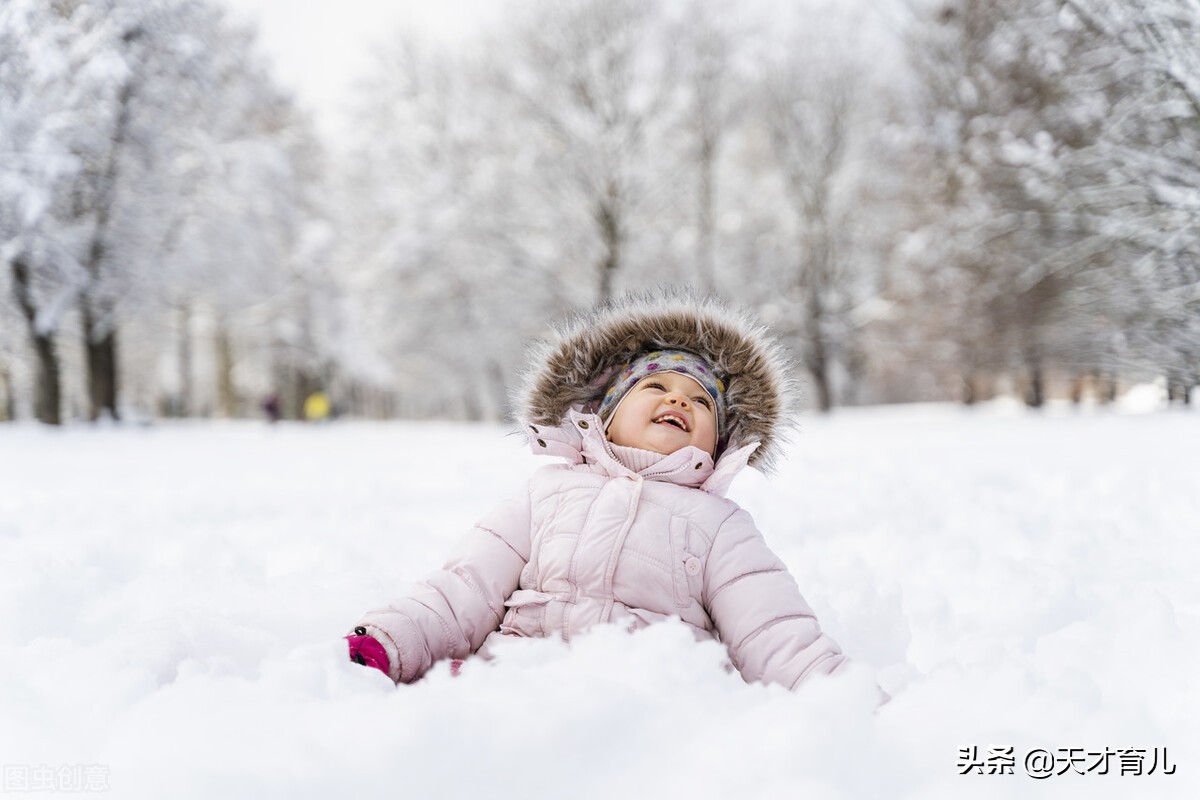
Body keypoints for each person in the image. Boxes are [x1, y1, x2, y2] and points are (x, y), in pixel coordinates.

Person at [346, 293, 850, 691]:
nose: (679, 398)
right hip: (517, 675)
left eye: (701, 401)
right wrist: (392, 639)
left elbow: (773, 630)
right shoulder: (547, 495)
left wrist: (839, 696)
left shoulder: (719, 526)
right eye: (654, 387)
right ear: (605, 415)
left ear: (718, 443)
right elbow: (464, 588)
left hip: (646, 693)